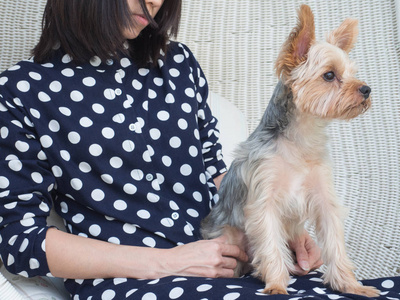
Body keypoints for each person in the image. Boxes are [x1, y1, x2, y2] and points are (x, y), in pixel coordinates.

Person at [0, 0, 397, 299]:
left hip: (231, 264)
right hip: (136, 284)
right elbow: (20, 240)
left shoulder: (177, 64)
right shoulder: (23, 90)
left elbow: (221, 174)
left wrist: (277, 226)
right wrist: (169, 261)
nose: (154, 0)